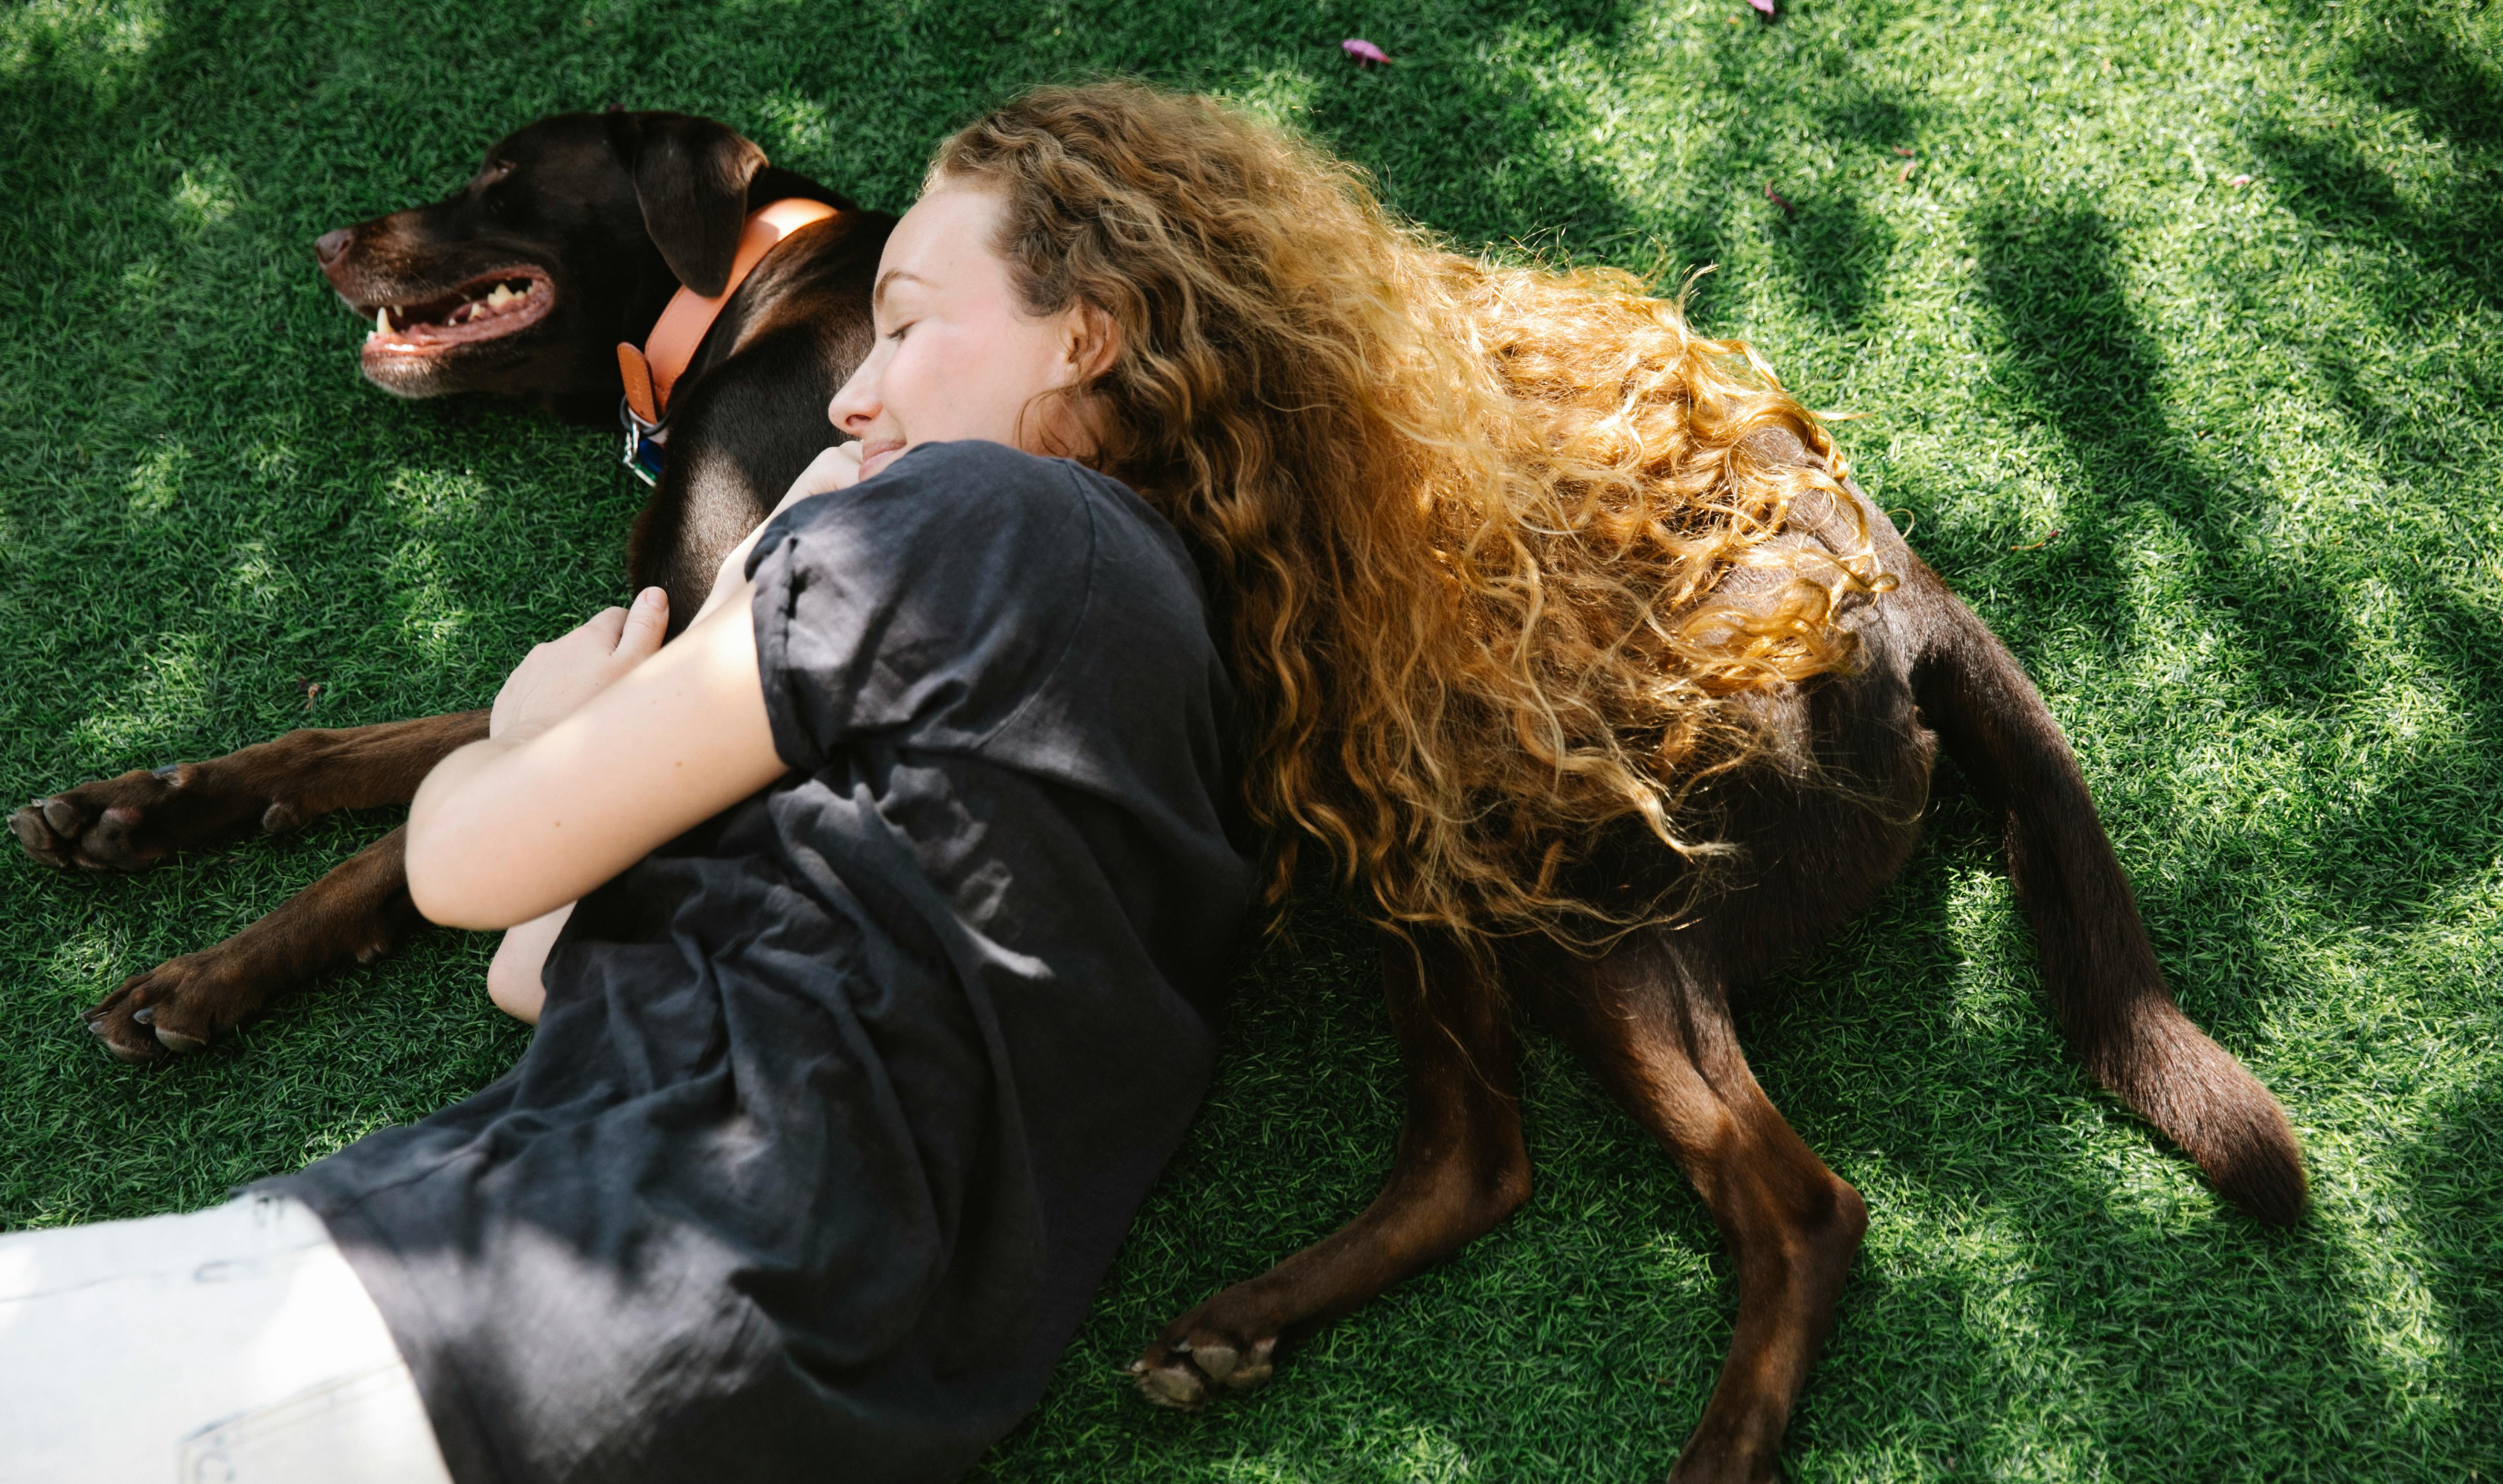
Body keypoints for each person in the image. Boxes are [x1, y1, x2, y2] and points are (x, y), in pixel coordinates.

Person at [4, 80, 1874, 1483]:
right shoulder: (1210, 766)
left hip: (505, 1301)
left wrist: (527, 726)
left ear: (1093, 334)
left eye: (903, 321)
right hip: (780, 1412)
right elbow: (544, 968)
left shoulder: (973, 519)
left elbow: (481, 877)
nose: (848, 394)